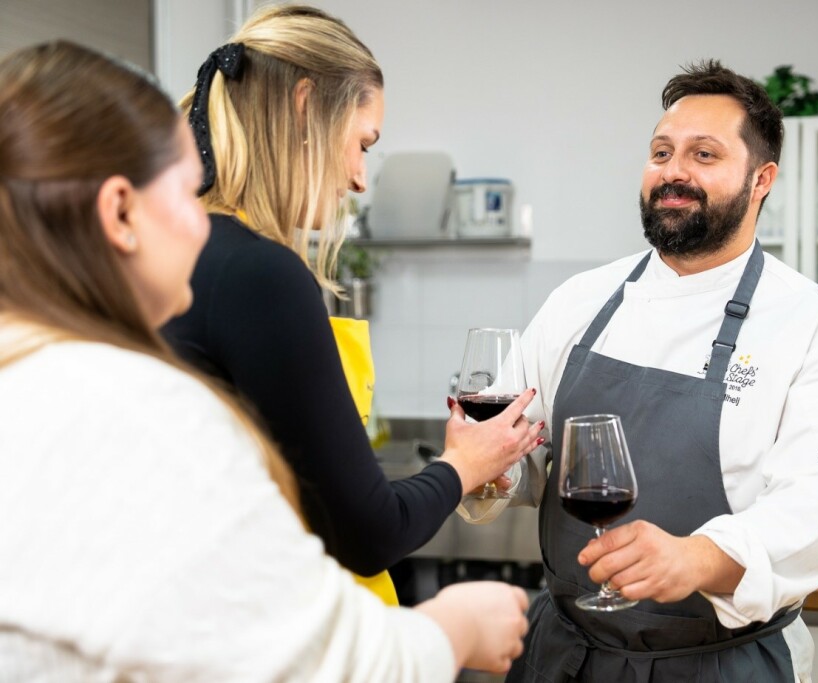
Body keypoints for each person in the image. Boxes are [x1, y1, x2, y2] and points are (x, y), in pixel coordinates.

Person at [0, 40, 530, 681]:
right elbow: (296, 652)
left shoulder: (36, 375)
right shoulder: (145, 411)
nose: (202, 225)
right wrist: (456, 627)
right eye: (183, 189)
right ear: (119, 211)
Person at [461, 60, 818, 681]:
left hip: (720, 661)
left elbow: (814, 510)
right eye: (662, 151)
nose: (674, 171)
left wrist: (698, 558)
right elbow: (519, 449)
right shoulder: (580, 301)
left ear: (761, 178)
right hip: (566, 654)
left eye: (704, 155)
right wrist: (486, 470)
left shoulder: (815, 329)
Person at [161, 4, 543, 602]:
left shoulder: (175, 250)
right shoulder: (259, 273)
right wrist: (463, 465)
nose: (362, 179)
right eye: (364, 143)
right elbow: (366, 531)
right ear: (306, 107)